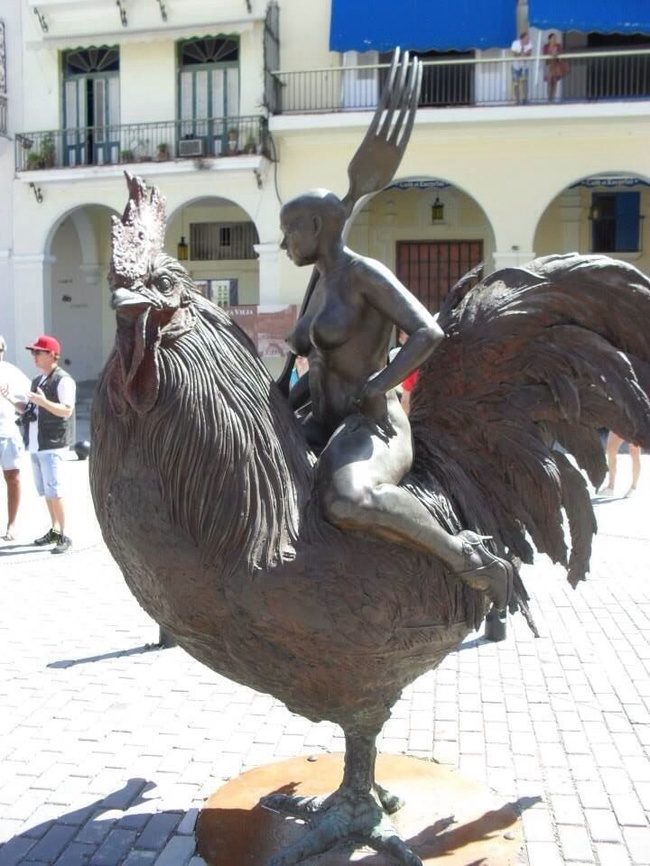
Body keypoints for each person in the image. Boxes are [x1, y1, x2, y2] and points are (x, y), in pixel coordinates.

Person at [281, 189, 512, 611]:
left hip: (370, 426)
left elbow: (428, 331)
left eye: (289, 231)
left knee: (348, 499)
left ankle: (469, 558)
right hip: (320, 421)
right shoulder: (317, 281)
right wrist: (283, 397)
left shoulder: (363, 274)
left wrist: (378, 384)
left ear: (316, 227)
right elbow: (320, 361)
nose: (283, 243)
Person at [8, 335, 76, 553]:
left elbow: (67, 410)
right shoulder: (38, 381)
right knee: (46, 492)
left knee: (55, 491)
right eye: (33, 352)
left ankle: (64, 535)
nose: (34, 357)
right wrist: (9, 398)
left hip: (54, 444)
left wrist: (43, 402)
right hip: (37, 444)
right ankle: (54, 530)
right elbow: (29, 410)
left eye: (38, 352)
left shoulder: (64, 380)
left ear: (51, 355)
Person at [0, 336, 31, 540]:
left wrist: (12, 399)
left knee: (13, 478)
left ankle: (12, 525)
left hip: (6, 433)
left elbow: (31, 400)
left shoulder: (11, 372)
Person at [601, 431, 641, 498]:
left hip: (633, 425)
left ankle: (634, 487)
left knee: (634, 453)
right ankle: (610, 486)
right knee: (610, 450)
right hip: (618, 423)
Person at [543, 32, 568, 102]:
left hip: (555, 65)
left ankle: (553, 98)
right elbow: (545, 54)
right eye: (553, 38)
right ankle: (549, 98)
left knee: (554, 82)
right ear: (549, 39)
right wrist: (552, 54)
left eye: (555, 38)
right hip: (548, 65)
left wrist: (556, 54)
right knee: (549, 81)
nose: (554, 39)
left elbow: (560, 54)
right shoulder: (546, 46)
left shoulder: (558, 46)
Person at [511, 31, 532, 105]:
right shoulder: (515, 43)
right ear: (522, 39)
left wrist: (523, 54)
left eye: (528, 38)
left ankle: (525, 99)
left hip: (524, 66)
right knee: (516, 83)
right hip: (515, 66)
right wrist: (522, 54)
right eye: (526, 38)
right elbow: (514, 53)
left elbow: (529, 53)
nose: (528, 40)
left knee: (524, 82)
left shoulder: (529, 44)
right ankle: (517, 100)